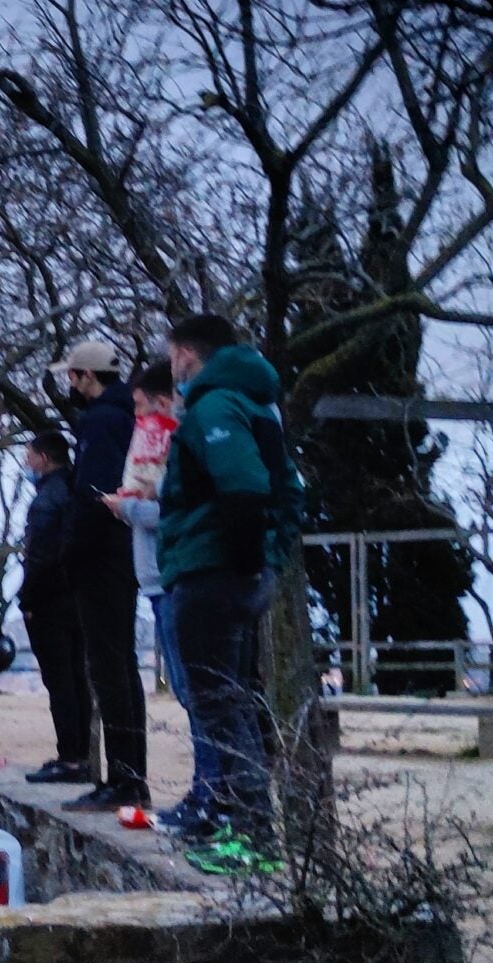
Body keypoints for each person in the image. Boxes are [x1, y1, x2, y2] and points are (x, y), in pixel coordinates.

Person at [160, 314, 297, 870]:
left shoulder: (216, 406)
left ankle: (252, 837)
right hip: (231, 572)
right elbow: (287, 490)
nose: (171, 369)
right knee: (234, 702)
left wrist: (241, 566)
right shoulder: (256, 403)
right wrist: (266, 564)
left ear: (189, 354)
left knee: (219, 705)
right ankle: (251, 830)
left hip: (211, 572)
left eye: (172, 357)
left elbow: (244, 487)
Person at [107, 363, 211, 831]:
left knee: (197, 694)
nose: (135, 418)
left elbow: (166, 513)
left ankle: (211, 797)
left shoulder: (175, 443)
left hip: (169, 577)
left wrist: (126, 507)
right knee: (194, 695)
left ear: (162, 403)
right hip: (159, 578)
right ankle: (206, 793)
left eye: (138, 406)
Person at [51, 338, 151, 810]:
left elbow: (92, 494)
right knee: (121, 665)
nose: (68, 385)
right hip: (121, 554)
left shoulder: (101, 422)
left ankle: (124, 780)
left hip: (102, 558)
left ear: (85, 377)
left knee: (109, 668)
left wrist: (70, 552)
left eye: (71, 376)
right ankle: (131, 776)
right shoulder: (125, 416)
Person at [18, 431, 94, 786]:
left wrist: (28, 598)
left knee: (61, 680)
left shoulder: (47, 500)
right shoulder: (76, 491)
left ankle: (70, 757)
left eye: (29, 456)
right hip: (76, 597)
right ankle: (78, 756)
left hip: (50, 601)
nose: (26, 464)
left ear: (44, 457)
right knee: (76, 677)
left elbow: (41, 556)